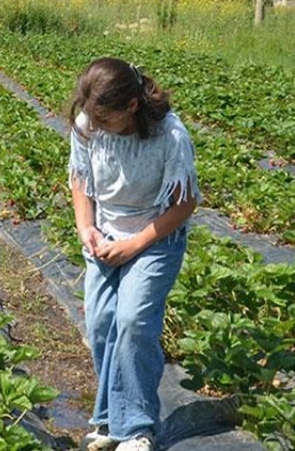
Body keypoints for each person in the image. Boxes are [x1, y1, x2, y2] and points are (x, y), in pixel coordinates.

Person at [66, 58, 199, 451]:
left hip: (155, 237)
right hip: (105, 234)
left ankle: (137, 428)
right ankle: (109, 419)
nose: (98, 125)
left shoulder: (170, 135)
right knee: (103, 321)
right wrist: (86, 228)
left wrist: (133, 245)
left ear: (133, 106)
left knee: (134, 320)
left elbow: (185, 202)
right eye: (93, 117)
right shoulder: (88, 125)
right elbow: (81, 180)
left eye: (107, 119)